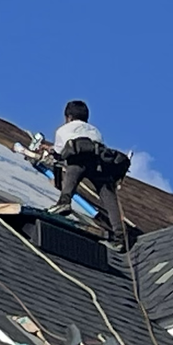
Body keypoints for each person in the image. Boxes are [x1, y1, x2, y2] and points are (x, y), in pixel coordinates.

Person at [42, 100, 131, 244]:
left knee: (71, 173)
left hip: (78, 163)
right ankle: (120, 235)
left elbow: (59, 154)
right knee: (109, 199)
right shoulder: (95, 131)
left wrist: (50, 151)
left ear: (68, 117)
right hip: (98, 165)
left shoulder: (63, 130)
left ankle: (64, 202)